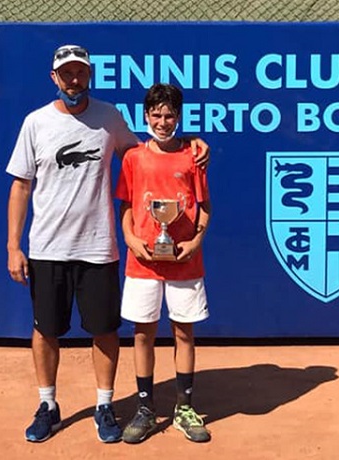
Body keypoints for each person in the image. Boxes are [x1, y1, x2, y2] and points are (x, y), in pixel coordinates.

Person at [6, 45, 209, 444]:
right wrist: (14, 246)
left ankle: (104, 404)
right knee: (46, 330)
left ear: (90, 75)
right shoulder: (35, 123)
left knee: (104, 329)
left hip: (98, 247)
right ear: (54, 78)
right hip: (47, 248)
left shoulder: (109, 117)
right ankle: (48, 404)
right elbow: (21, 186)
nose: (74, 80)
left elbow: (148, 151)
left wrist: (192, 143)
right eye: (66, 74)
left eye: (80, 72)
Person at [116, 83, 212, 444]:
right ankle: (145, 406)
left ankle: (184, 407)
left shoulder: (193, 155)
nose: (162, 121)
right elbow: (126, 207)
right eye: (156, 114)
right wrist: (131, 240)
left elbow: (205, 208)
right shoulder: (133, 158)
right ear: (145, 116)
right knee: (143, 333)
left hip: (185, 262)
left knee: (184, 332)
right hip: (142, 261)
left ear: (179, 117)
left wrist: (196, 241)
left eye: (169, 115)